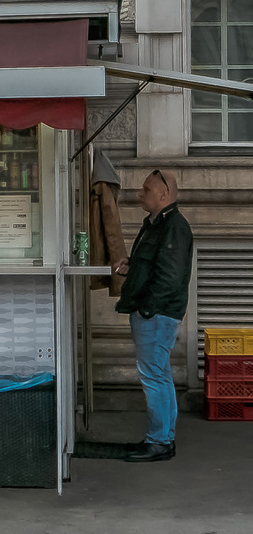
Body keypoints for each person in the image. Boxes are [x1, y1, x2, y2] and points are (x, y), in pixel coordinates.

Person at [114, 169, 193, 463]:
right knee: (160, 375)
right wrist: (132, 264)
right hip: (156, 313)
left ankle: (159, 441)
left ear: (164, 194)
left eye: (146, 190)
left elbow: (169, 277)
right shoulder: (157, 224)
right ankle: (163, 438)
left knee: (154, 377)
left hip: (156, 315)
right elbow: (155, 264)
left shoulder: (173, 226)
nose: (140, 194)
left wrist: (147, 309)